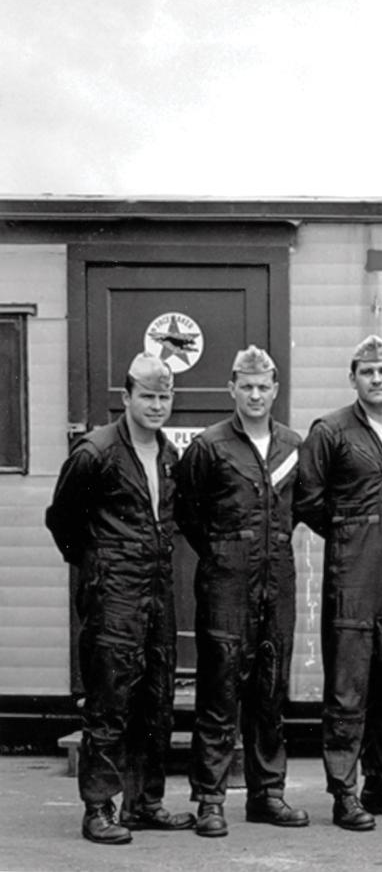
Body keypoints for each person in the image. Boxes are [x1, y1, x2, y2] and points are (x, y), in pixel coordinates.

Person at [45, 353, 197, 845]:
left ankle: (144, 802)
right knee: (110, 700)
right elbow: (62, 520)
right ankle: (98, 808)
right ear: (126, 396)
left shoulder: (169, 454)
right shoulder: (96, 451)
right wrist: (97, 565)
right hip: (113, 593)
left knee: (156, 698)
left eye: (164, 396)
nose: (157, 405)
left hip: (157, 590)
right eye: (148, 396)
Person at [295, 334, 382, 832]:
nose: (377, 380)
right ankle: (343, 791)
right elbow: (308, 500)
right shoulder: (330, 431)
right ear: (353, 378)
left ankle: (379, 782)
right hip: (352, 576)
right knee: (349, 686)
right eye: (367, 372)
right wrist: (352, 530)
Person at [175, 346, 309, 837]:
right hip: (226, 584)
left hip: (278, 582)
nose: (255, 395)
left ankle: (266, 794)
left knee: (270, 692)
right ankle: (210, 799)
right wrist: (223, 552)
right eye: (246, 386)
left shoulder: (294, 445)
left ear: (275, 389)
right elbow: (187, 513)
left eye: (263, 386)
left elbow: (308, 503)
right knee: (219, 691)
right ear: (231, 389)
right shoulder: (210, 446)